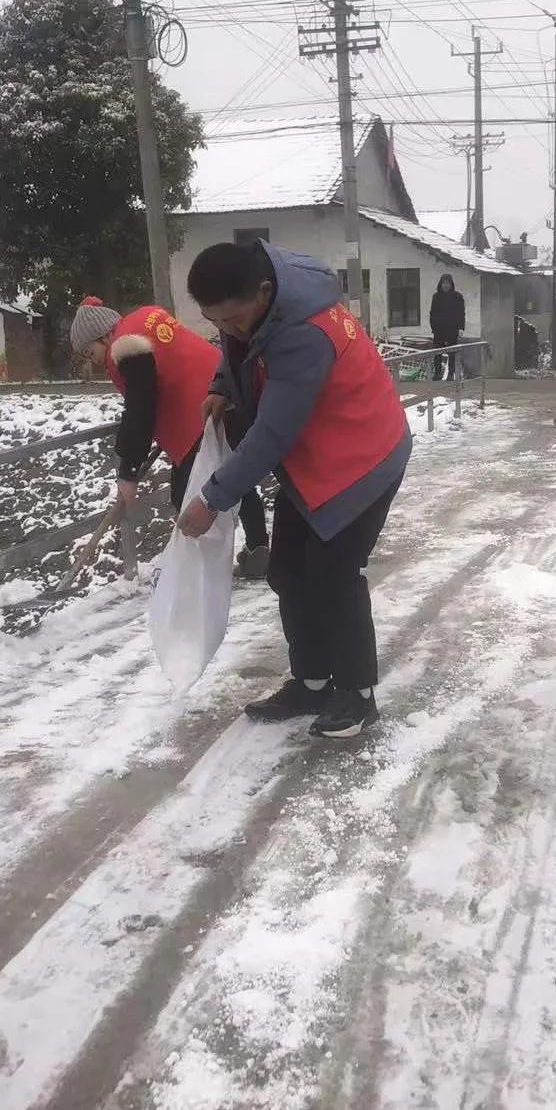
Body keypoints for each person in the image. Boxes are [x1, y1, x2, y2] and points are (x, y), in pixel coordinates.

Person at [181, 240, 410, 739]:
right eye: (214, 322)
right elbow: (239, 345)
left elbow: (271, 435)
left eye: (233, 319)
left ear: (263, 294)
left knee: (332, 572)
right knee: (287, 569)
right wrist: (222, 380)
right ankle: (312, 681)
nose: (227, 330)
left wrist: (212, 499)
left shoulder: (303, 334)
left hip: (364, 453)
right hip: (318, 454)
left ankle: (357, 693)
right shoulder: (265, 296)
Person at [68, 296, 269, 578]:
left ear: (103, 336)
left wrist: (128, 470)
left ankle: (198, 572)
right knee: (236, 476)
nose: (98, 362)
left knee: (186, 495)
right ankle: (258, 551)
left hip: (201, 410)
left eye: (91, 353)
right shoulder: (146, 315)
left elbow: (140, 405)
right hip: (229, 390)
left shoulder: (125, 346)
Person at [428, 273, 466, 380]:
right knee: (437, 353)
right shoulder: (436, 297)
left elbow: (461, 314)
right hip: (439, 330)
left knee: (452, 353)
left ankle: (450, 374)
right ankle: (437, 373)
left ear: (451, 284)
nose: (445, 285)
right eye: (443, 283)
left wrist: (461, 328)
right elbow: (432, 313)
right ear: (440, 284)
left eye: (447, 283)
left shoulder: (457, 297)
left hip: (452, 330)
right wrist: (433, 328)